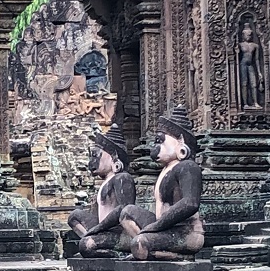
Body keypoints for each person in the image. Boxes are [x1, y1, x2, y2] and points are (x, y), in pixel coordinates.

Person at [119, 106, 204, 260]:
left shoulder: (188, 167)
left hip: (185, 232)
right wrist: (156, 227)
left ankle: (174, 256)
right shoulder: (167, 169)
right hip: (165, 228)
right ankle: (148, 251)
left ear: (180, 141)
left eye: (161, 141)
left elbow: (191, 203)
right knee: (127, 212)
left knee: (139, 242)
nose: (156, 147)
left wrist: (156, 226)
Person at [68, 124, 136, 257]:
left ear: (113, 157)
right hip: (104, 230)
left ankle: (114, 252)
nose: (92, 161)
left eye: (96, 155)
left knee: (86, 245)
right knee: (74, 216)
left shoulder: (122, 178)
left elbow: (125, 209)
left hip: (118, 233)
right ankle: (92, 244)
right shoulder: (105, 183)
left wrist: (99, 228)